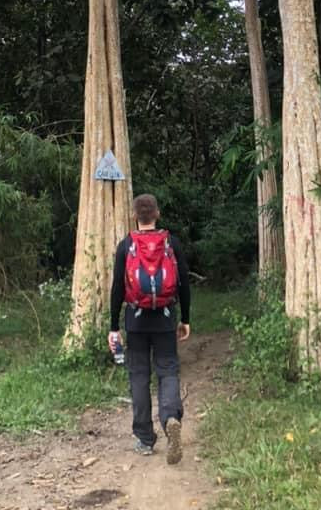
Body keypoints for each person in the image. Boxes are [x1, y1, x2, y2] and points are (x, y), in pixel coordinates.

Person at [108, 193, 191, 464]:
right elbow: (184, 284)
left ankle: (144, 438)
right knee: (167, 370)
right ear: (157, 214)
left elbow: (118, 289)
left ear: (135, 216)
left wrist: (113, 327)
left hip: (136, 320)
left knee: (139, 376)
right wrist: (185, 318)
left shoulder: (126, 246)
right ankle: (169, 418)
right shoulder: (171, 243)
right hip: (165, 319)